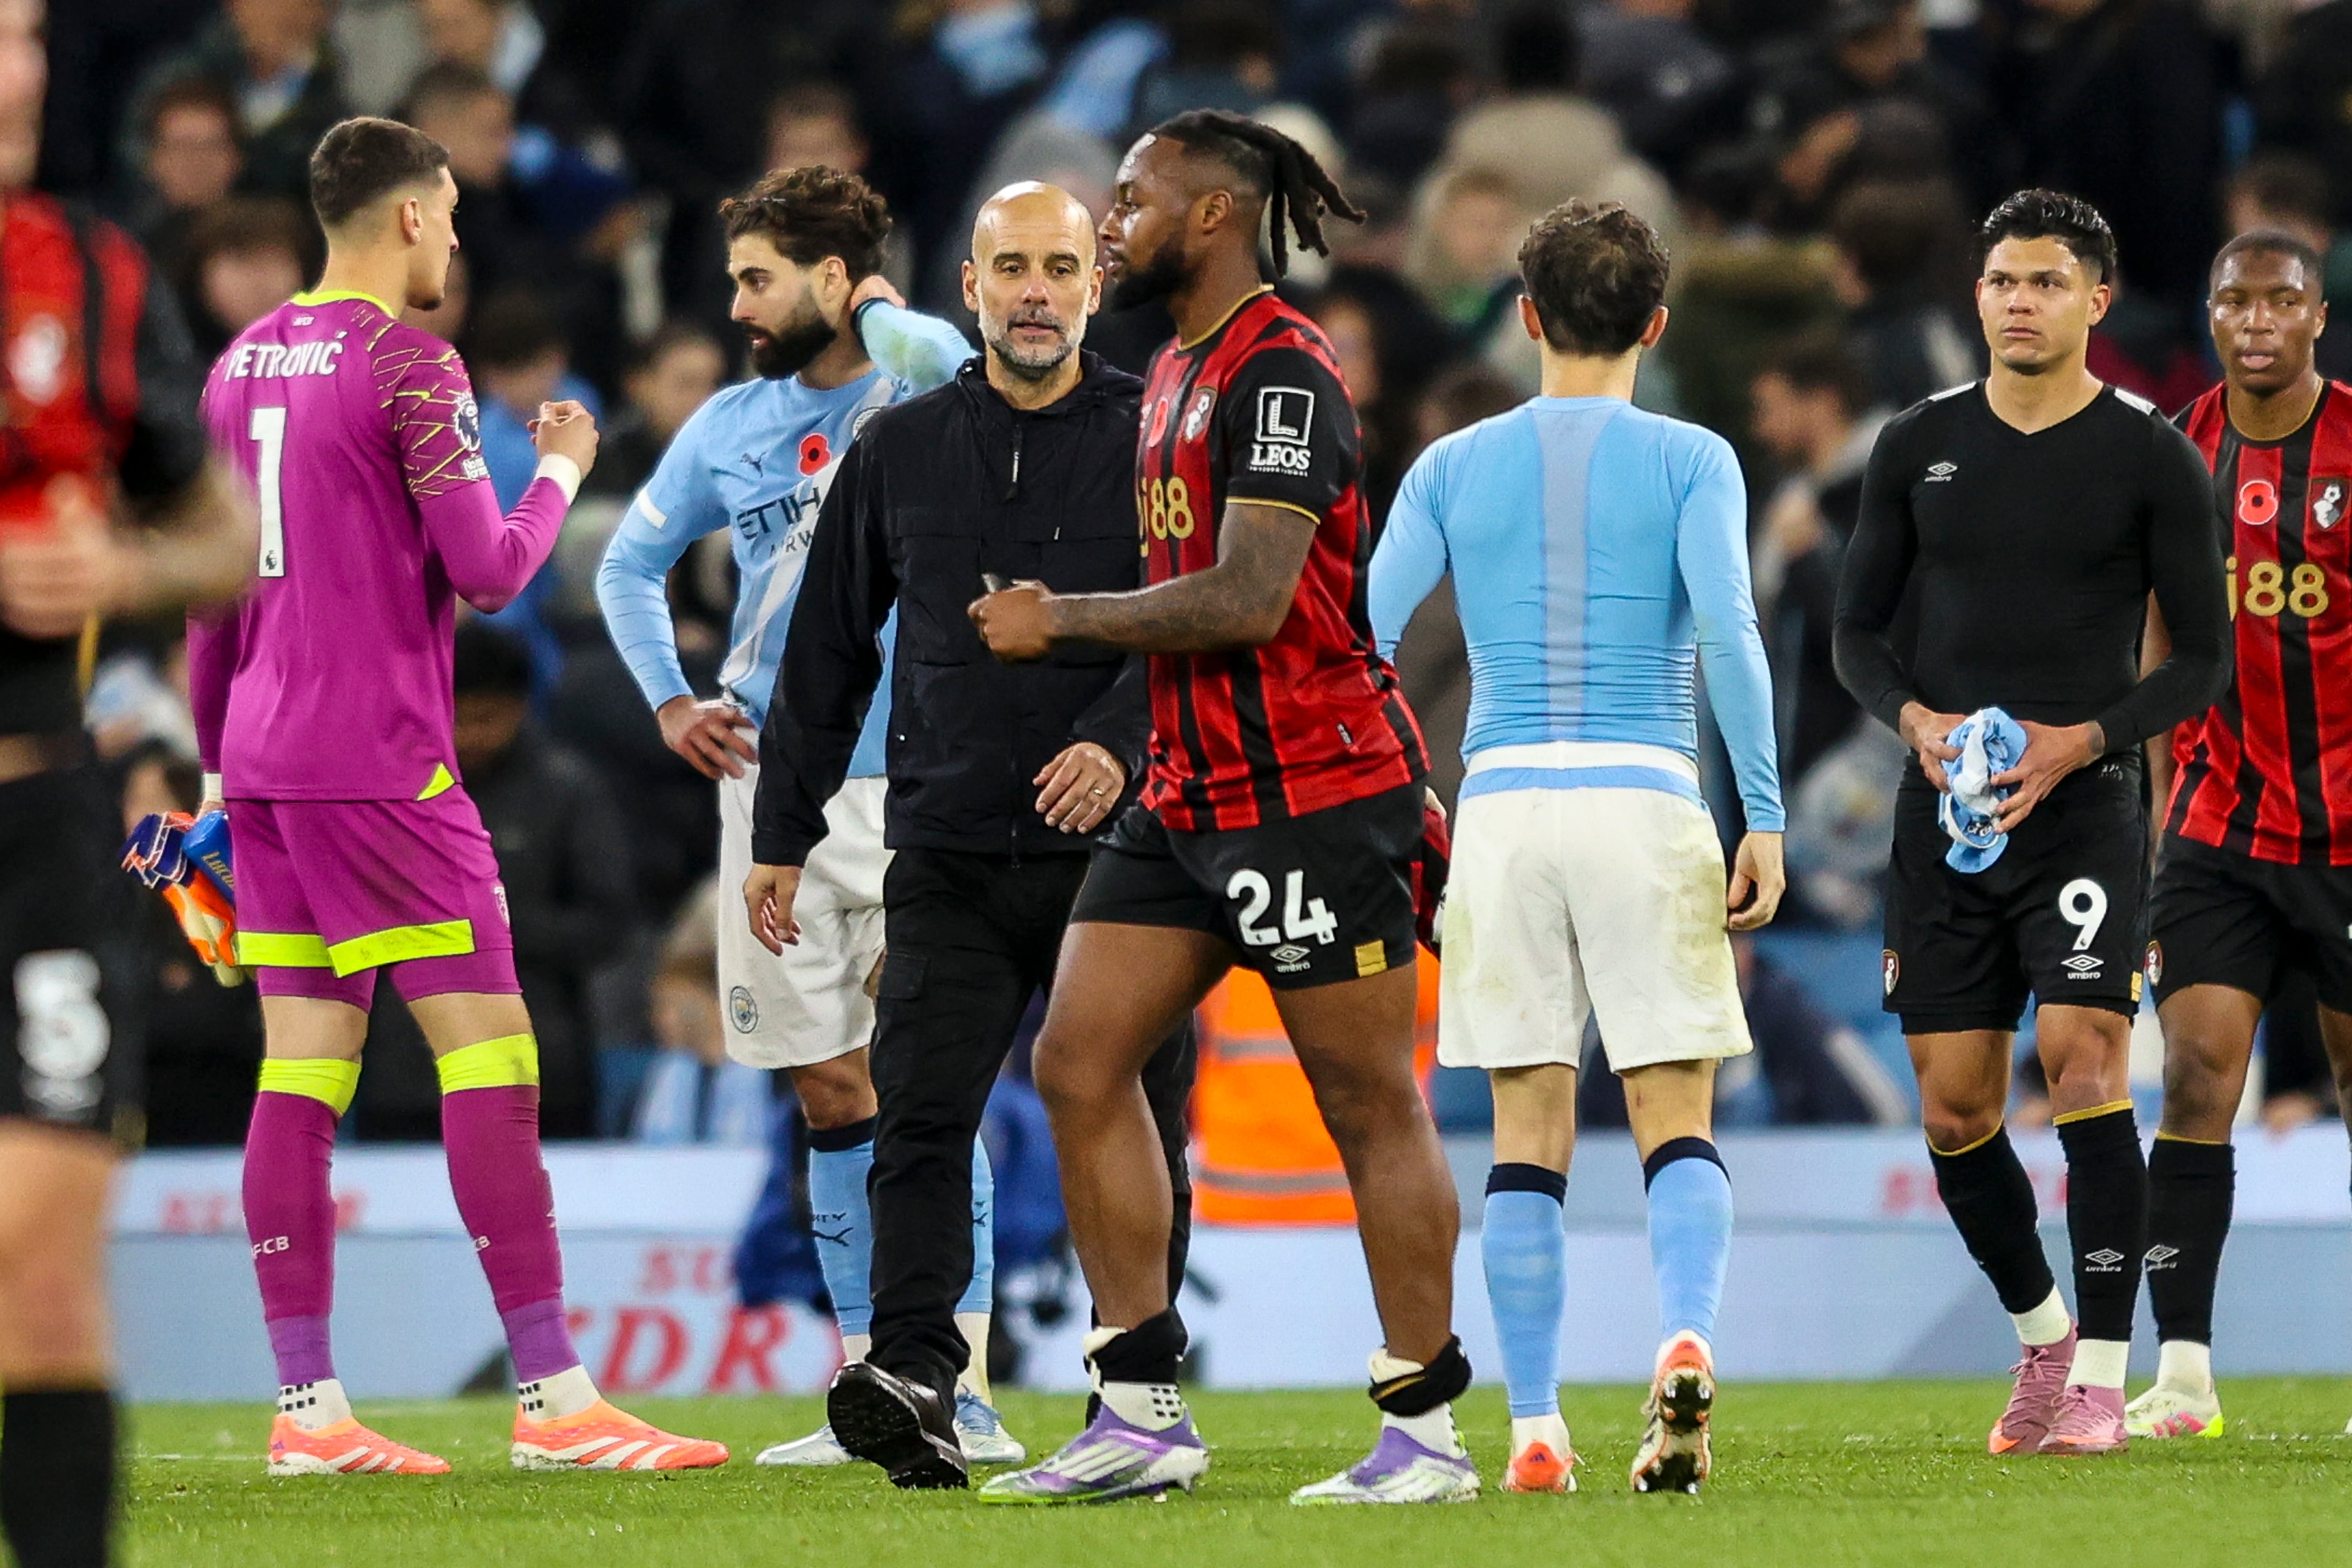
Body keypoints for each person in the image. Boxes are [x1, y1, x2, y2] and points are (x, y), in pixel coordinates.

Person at [189, 113, 725, 1477]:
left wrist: (209, 770)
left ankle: (309, 1414)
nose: (459, 240)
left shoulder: (238, 364)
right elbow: (490, 572)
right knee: (490, 1059)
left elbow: (206, 604)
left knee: (300, 1073)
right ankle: (555, 1398)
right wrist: (557, 468)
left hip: (260, 760)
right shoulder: (408, 363)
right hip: (377, 761)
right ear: (415, 216)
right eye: (452, 216)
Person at [967, 111, 1470, 1506]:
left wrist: (1057, 620)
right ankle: (1137, 1410)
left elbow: (1250, 598)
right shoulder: (1169, 369)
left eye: (1129, 199)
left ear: (1206, 217)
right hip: (1185, 789)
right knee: (1076, 1059)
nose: (1106, 221)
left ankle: (1423, 1432)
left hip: (1311, 791)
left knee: (1365, 1101)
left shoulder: (1286, 369)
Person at [742, 180, 1186, 1492]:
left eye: (1060, 267)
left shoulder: (1156, 436)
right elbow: (825, 654)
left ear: (1095, 288)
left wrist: (1118, 742)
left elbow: (1208, 616)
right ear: (973, 287)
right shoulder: (901, 444)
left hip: (1131, 855)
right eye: (1012, 268)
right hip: (944, 843)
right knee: (921, 1117)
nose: (1037, 291)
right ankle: (919, 1376)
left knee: (1141, 1116)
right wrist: (783, 832)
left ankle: (1140, 1387)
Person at [1369, 199, 1786, 1497]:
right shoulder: (1693, 459)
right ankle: (1684, 1340)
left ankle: (1538, 1425)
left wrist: (1405, 812)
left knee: (1523, 1135)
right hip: (1645, 794)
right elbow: (1729, 632)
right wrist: (1760, 812)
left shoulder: (1448, 465)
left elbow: (1360, 648)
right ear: (1655, 326)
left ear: (1529, 317)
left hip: (1498, 809)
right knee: (1673, 1117)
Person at [593, 165, 1005, 1470]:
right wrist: (669, 700)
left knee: (927, 1086)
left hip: (927, 770)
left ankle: (965, 1386)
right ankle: (865, 1385)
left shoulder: (915, 385)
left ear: (833, 281)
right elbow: (626, 565)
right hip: (775, 787)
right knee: (829, 1088)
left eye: (758, 277)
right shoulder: (729, 425)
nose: (738, 303)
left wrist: (876, 305)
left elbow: (956, 358)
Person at [1832, 190, 2230, 1457]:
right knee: (1954, 1109)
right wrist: (1916, 723)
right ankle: (2043, 1335)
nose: (2018, 301)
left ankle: (2108, 1380)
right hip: (1944, 811)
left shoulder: (2149, 454)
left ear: (2097, 302)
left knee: (2084, 1066)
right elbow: (1852, 633)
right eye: (2002, 280)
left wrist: (2083, 742)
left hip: (2085, 808)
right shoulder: (1917, 444)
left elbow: (2202, 663)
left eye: (2047, 282)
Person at [0, 4, 258, 1558]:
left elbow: (220, 534)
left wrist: (131, 558)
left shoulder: (90, 273)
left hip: (36, 823)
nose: (17, 69)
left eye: (28, 34)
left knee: (44, 1261)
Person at [2128, 232, 2352, 1440]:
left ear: (2319, 316)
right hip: (2219, 822)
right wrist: (2164, 800)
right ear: (2210, 317)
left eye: (2282, 301)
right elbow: (2164, 630)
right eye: (2234, 301)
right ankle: (2188, 1374)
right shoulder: (2178, 451)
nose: (2257, 320)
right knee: (2202, 1074)